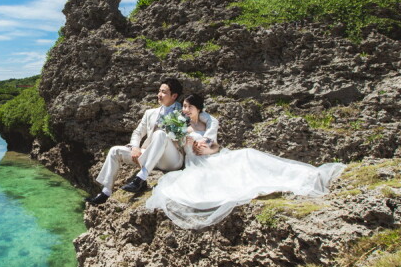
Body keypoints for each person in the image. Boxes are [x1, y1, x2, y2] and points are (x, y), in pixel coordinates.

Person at [145, 96, 345, 229]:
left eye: (189, 107)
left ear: (198, 109)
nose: (185, 110)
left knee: (248, 155)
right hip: (196, 163)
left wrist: (209, 148)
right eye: (184, 107)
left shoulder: (207, 124)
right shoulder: (181, 126)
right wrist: (184, 141)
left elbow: (215, 147)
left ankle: (303, 175)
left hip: (214, 157)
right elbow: (177, 146)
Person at [86, 78, 195, 205]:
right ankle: (106, 192)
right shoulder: (150, 113)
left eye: (163, 92)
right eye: (159, 91)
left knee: (160, 134)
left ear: (174, 96)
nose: (159, 95)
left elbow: (190, 134)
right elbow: (138, 132)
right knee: (114, 151)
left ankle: (140, 179)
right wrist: (135, 147)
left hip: (171, 159)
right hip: (151, 157)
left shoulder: (183, 113)